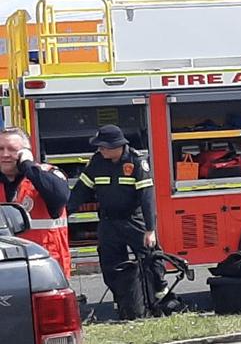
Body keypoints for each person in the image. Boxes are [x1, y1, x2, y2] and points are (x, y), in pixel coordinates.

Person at [67, 124, 168, 317]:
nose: (99, 150)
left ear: (116, 146)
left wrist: (150, 229)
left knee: (151, 257)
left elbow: (147, 197)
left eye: (103, 146)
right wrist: (64, 213)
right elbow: (81, 190)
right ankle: (125, 300)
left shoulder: (136, 162)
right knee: (110, 265)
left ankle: (158, 296)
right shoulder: (97, 162)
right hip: (108, 223)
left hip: (133, 220)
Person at [0, 127, 72, 277]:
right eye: (0, 149)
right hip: (6, 268)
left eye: (12, 149)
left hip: (44, 267)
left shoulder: (47, 175)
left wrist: (28, 165)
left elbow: (60, 196)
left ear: (25, 153)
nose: (5, 154)